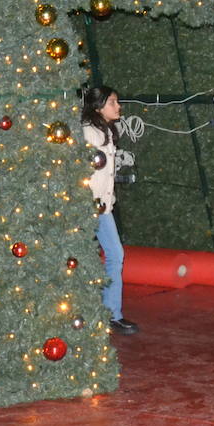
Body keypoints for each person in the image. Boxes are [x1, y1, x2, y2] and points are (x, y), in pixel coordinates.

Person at [82, 85, 136, 335]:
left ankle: (112, 314)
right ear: (98, 106)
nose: (118, 107)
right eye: (113, 102)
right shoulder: (88, 133)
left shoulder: (107, 132)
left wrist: (108, 201)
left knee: (115, 254)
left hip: (103, 208)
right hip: (85, 207)